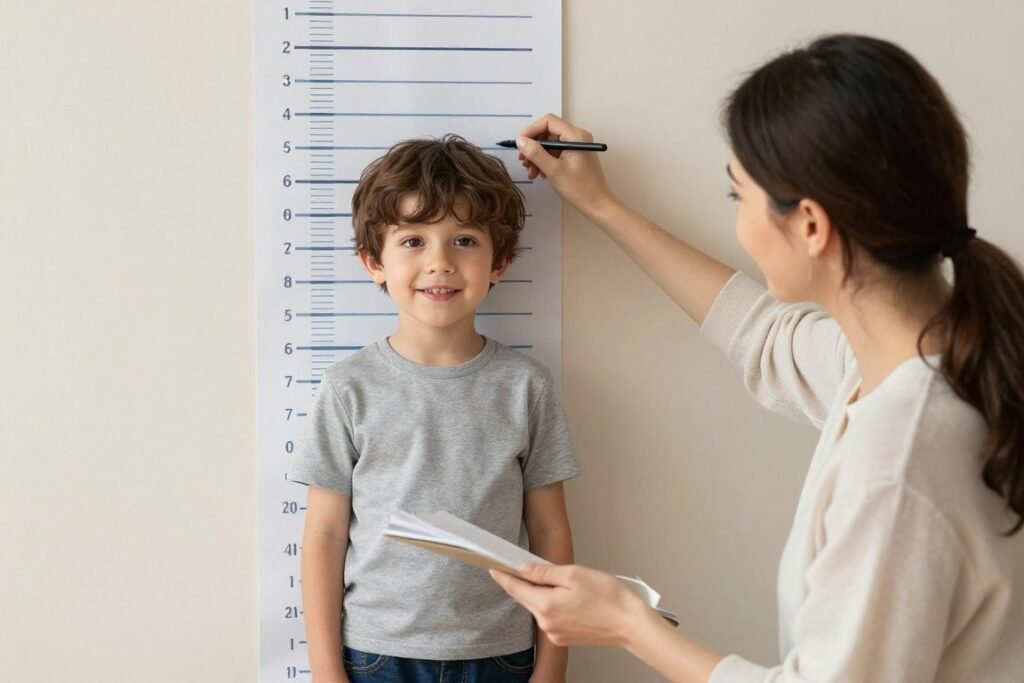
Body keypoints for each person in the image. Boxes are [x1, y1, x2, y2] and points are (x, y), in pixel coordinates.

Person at [489, 34, 1024, 682]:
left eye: (736, 195)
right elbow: (763, 334)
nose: (739, 217)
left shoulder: (901, 459)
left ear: (809, 226)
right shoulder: (929, 356)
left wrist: (630, 624)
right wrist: (602, 204)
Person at [288, 135, 582, 683]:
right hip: (376, 656)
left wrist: (553, 665)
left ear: (501, 262)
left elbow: (550, 529)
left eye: (465, 240)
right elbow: (324, 535)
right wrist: (326, 670)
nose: (440, 263)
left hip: (501, 654)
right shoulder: (347, 388)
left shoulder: (526, 388)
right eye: (414, 241)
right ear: (373, 262)